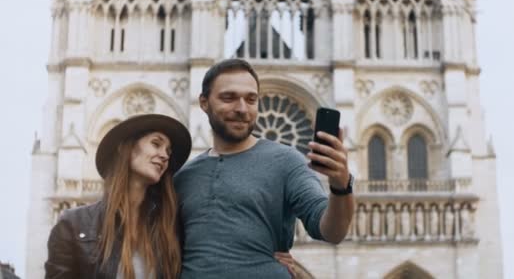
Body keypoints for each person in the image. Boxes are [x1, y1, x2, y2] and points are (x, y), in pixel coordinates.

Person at [45, 114, 296, 279]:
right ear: (125, 147)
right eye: (156, 144)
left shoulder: (174, 226)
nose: (165, 155)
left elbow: (217, 261)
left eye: (168, 150)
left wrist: (262, 258)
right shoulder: (74, 225)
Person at [174, 59, 355, 278]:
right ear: (204, 102)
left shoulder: (288, 161)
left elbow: (331, 231)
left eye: (251, 99)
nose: (241, 108)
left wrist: (340, 187)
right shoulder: (183, 177)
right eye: (228, 98)